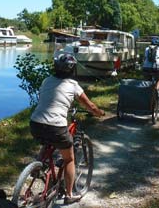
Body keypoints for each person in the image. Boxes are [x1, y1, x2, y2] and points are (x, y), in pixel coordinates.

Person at [29, 54, 105, 205]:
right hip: (56, 125)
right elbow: (90, 106)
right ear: (73, 69)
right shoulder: (73, 85)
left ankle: (38, 165)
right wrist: (100, 113)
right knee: (69, 158)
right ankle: (69, 195)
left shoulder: (46, 80)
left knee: (48, 139)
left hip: (35, 123)